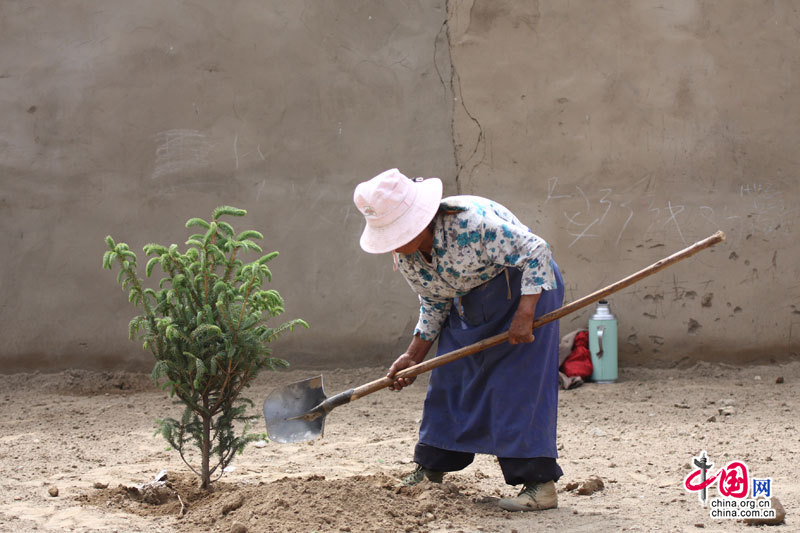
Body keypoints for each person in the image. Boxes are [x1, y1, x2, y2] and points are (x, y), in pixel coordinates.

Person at [353, 168, 564, 512]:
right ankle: (431, 467)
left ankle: (539, 485)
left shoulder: (471, 224)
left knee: (515, 387)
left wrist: (525, 314)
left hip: (524, 291)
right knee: (450, 381)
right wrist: (414, 356)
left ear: (421, 220)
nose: (394, 240)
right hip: (470, 304)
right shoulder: (406, 257)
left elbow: (537, 251)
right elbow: (435, 300)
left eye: (398, 231)